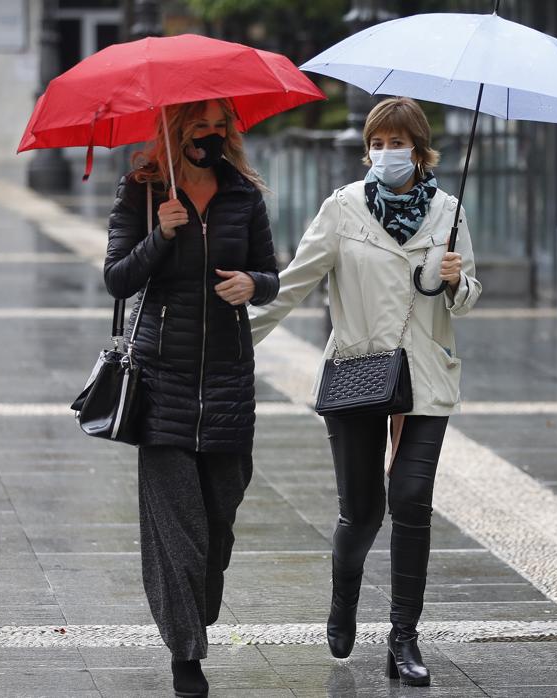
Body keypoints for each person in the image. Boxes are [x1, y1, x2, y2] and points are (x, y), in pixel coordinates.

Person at [250, 97, 482, 686]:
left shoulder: (448, 212)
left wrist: (457, 282)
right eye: (377, 144)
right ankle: (343, 600)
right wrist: (233, 343)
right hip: (358, 368)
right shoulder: (342, 208)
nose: (386, 154)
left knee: (410, 499)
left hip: (426, 375)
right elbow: (294, 282)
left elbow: (469, 294)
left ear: (420, 149)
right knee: (362, 511)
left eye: (397, 143)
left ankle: (403, 637)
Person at [102, 98, 278, 698]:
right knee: (177, 529)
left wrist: (255, 284)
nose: (210, 134)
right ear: (175, 130)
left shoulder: (244, 195)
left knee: (217, 525)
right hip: (160, 379)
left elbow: (270, 274)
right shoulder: (141, 191)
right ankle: (186, 658)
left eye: (219, 125)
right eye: (197, 125)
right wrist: (160, 235)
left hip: (228, 379)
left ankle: (191, 618)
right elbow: (117, 278)